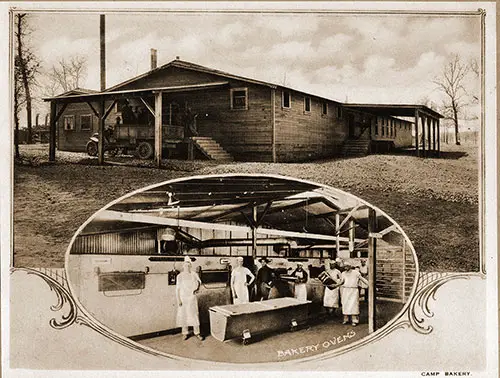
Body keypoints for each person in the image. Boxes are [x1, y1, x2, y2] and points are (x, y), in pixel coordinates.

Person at [176, 256, 204, 341]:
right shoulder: (180, 276)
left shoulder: (194, 274)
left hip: (192, 298)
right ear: (183, 266)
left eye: (189, 265)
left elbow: (199, 282)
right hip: (183, 298)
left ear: (190, 266)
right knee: (184, 315)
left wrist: (197, 289)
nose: (187, 267)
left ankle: (197, 333)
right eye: (185, 265)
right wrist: (179, 300)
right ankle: (185, 333)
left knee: (194, 315)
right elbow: (177, 289)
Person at [340, 262, 368, 326]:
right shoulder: (343, 273)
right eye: (344, 266)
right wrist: (334, 285)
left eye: (347, 266)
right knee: (345, 304)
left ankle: (355, 320)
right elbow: (341, 282)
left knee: (354, 305)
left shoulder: (355, 273)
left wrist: (370, 284)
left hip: (354, 290)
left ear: (350, 266)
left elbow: (363, 279)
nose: (345, 267)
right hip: (346, 290)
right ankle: (346, 319)